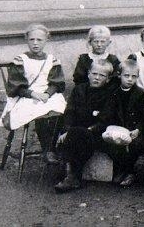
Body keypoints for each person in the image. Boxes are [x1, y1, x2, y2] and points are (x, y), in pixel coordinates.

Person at [0, 23, 66, 165]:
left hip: (47, 94)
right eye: (32, 39)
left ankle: (53, 147)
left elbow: (57, 83)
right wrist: (33, 94)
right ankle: (48, 149)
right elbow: (15, 87)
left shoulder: (51, 60)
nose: (35, 43)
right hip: (25, 95)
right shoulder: (20, 60)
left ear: (46, 40)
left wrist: (47, 94)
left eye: (39, 40)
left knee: (61, 108)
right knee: (40, 111)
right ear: (26, 40)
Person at [54, 60, 114, 192]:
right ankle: (69, 172)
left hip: (94, 133)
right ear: (88, 74)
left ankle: (72, 176)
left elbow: (105, 120)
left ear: (108, 79)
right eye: (94, 74)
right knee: (68, 132)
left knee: (80, 134)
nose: (97, 77)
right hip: (74, 132)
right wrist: (67, 130)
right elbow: (70, 112)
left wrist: (87, 130)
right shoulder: (79, 90)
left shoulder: (109, 94)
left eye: (102, 75)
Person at [102, 59, 144, 187]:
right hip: (117, 127)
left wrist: (138, 129)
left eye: (134, 76)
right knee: (112, 142)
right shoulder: (113, 92)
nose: (130, 79)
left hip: (135, 129)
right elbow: (108, 113)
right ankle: (121, 169)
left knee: (135, 145)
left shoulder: (141, 93)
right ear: (119, 75)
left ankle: (130, 171)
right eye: (126, 76)